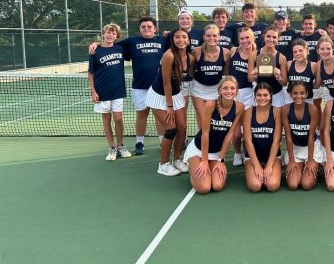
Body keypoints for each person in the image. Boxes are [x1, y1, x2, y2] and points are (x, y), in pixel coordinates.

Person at [88, 16, 165, 155]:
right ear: (140, 29)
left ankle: (162, 142)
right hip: (139, 86)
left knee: (159, 115)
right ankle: (139, 143)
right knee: (142, 114)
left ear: (155, 29)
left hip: (158, 86)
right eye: (143, 27)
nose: (146, 29)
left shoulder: (163, 41)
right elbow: (110, 43)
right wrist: (96, 43)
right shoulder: (131, 41)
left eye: (149, 26)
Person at [183, 76, 245, 194]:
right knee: (204, 188)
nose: (229, 91)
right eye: (225, 88)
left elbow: (229, 135)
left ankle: (212, 168)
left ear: (236, 91)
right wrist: (204, 160)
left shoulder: (239, 107)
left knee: (217, 186)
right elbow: (205, 134)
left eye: (232, 88)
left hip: (217, 152)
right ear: (220, 90)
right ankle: (193, 167)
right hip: (199, 150)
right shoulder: (210, 105)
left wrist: (221, 159)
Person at [146, 28, 193, 176]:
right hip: (159, 96)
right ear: (172, 40)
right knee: (171, 128)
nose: (181, 40)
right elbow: (166, 82)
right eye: (177, 37)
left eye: (184, 37)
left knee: (182, 128)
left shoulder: (190, 57)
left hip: (176, 94)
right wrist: (169, 106)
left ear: (189, 40)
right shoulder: (169, 55)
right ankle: (163, 164)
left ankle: (177, 160)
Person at [87, 23, 130, 161]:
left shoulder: (120, 48)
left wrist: (96, 42)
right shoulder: (95, 51)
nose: (110, 35)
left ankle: (121, 146)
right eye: (108, 32)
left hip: (118, 90)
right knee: (106, 119)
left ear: (117, 36)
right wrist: (93, 91)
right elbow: (90, 73)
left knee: (118, 119)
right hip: (102, 91)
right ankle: (111, 148)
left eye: (113, 33)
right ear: (103, 34)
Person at [282, 81, 323, 191]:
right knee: (293, 185)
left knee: (306, 185)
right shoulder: (285, 109)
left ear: (306, 94)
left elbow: (311, 136)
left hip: (311, 147)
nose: (298, 96)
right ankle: (299, 166)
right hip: (296, 147)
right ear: (290, 94)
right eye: (295, 93)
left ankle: (316, 167)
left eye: (302, 93)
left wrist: (310, 160)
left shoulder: (312, 109)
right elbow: (288, 136)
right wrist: (291, 160)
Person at [243, 83, 282, 192]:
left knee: (272, 186)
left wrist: (269, 165)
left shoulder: (277, 111)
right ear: (255, 96)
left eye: (265, 95)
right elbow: (247, 141)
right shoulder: (248, 112)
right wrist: (256, 166)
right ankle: (249, 168)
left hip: (273, 157)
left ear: (271, 96)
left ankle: (270, 167)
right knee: (255, 186)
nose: (262, 98)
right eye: (259, 95)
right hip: (252, 157)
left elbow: (276, 140)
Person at [191, 24, 230, 130]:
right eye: (208, 36)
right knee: (202, 116)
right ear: (204, 37)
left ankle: (212, 140)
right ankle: (200, 142)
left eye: (214, 35)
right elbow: (190, 70)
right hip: (198, 89)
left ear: (219, 37)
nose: (211, 38)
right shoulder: (197, 51)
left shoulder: (226, 52)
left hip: (216, 89)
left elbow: (226, 73)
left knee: (214, 118)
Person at [229, 26, 257, 166]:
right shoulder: (233, 51)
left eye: (247, 37)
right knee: (236, 131)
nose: (245, 40)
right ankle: (237, 153)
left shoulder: (257, 55)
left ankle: (247, 152)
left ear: (253, 38)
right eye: (242, 38)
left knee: (248, 128)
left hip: (249, 94)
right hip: (232, 94)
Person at [248, 25, 289, 108]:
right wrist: (254, 76)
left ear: (278, 39)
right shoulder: (254, 54)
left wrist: (278, 77)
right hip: (260, 95)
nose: (271, 39)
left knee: (276, 119)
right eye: (268, 36)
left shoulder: (281, 58)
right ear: (264, 36)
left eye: (274, 37)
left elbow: (284, 83)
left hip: (277, 94)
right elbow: (249, 78)